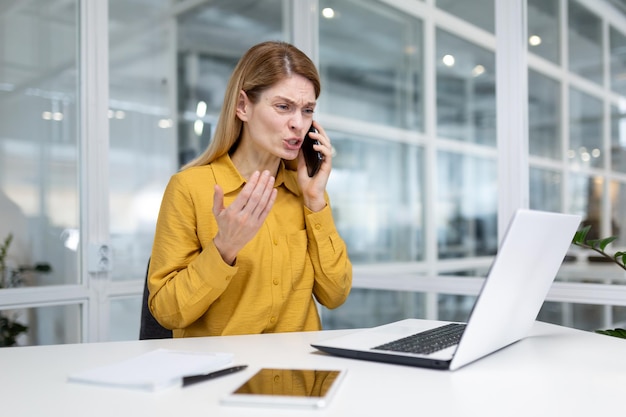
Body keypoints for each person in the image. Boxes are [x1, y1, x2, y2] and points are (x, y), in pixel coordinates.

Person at [148, 41, 353, 337]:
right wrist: (224, 248)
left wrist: (314, 199)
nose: (298, 124)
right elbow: (167, 311)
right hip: (225, 379)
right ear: (243, 106)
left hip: (302, 378)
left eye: (307, 110)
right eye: (283, 107)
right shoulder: (189, 188)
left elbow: (335, 294)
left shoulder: (307, 192)